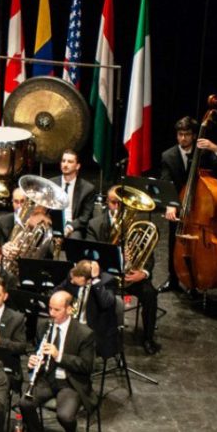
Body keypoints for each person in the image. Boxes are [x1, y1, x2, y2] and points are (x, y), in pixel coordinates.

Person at [19, 290, 97, 432]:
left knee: (65, 416)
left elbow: (87, 366)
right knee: (25, 403)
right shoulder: (43, 326)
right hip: (47, 378)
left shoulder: (84, 333)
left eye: (57, 310)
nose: (51, 313)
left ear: (69, 309)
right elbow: (39, 350)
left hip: (70, 382)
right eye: (50, 308)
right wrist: (33, 362)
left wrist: (58, 355)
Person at [87, 188, 161, 353]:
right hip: (106, 275)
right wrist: (117, 255)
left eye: (121, 204)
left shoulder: (135, 225)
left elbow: (149, 256)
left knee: (150, 293)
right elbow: (92, 256)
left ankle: (148, 339)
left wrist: (143, 273)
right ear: (107, 202)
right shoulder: (95, 225)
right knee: (95, 293)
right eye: (113, 202)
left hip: (130, 276)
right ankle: (98, 338)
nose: (117, 207)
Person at [162, 115, 217, 291]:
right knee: (174, 241)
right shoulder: (168, 156)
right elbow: (166, 182)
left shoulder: (204, 153)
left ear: (194, 135)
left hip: (200, 206)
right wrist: (170, 204)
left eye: (186, 134)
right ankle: (173, 279)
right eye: (180, 134)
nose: (183, 138)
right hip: (179, 204)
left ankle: (197, 278)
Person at [55, 260, 117, 361]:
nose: (71, 282)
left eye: (74, 281)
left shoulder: (107, 280)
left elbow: (106, 303)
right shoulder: (73, 275)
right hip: (72, 322)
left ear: (87, 281)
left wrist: (96, 281)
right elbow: (57, 291)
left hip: (92, 328)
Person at [52, 149, 95, 240]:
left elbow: (85, 217)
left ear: (77, 166)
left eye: (70, 162)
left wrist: (70, 227)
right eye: (63, 161)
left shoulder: (87, 189)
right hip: (52, 225)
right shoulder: (52, 183)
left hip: (74, 227)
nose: (65, 164)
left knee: (75, 238)